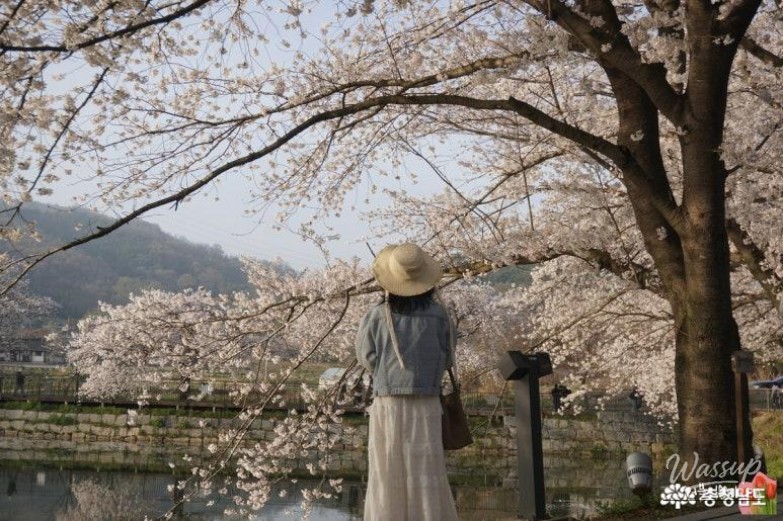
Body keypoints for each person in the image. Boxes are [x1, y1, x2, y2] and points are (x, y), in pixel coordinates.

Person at [356, 243, 459, 521]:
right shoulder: (440, 315)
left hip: (388, 400)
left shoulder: (376, 315)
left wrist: (388, 371)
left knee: (387, 467)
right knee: (426, 466)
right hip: (426, 400)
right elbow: (448, 357)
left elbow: (367, 357)